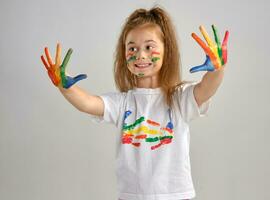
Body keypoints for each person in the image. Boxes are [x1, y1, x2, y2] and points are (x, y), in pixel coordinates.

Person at [40, 6, 228, 200]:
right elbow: (88, 103)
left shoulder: (179, 98)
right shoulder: (123, 103)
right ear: (124, 55)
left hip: (175, 195)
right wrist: (64, 87)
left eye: (149, 47)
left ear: (166, 51)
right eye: (132, 48)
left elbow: (206, 89)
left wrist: (217, 69)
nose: (140, 55)